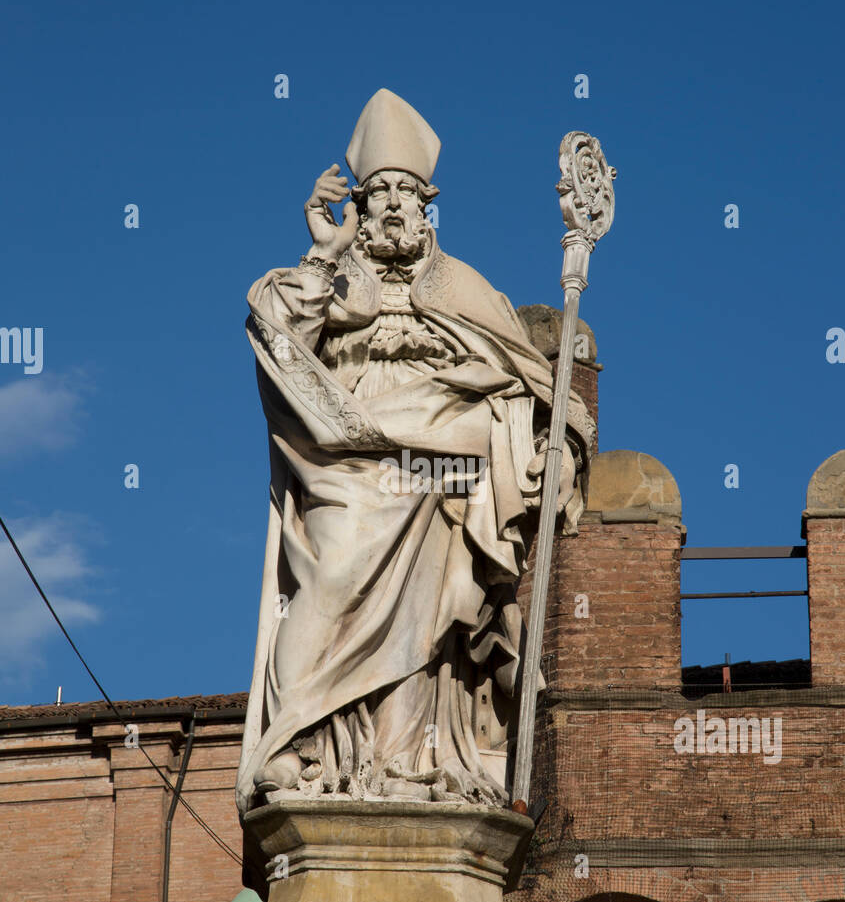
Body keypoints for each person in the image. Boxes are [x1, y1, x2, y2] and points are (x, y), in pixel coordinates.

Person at [237, 89, 594, 815]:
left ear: (428, 205)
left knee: (432, 619)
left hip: (445, 469)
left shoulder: (464, 287)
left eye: (407, 193)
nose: (394, 206)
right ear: (359, 209)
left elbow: (539, 389)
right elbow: (275, 335)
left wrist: (551, 445)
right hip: (351, 460)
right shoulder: (332, 277)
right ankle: (294, 748)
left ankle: (400, 764)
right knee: (332, 579)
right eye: (378, 194)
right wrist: (320, 252)